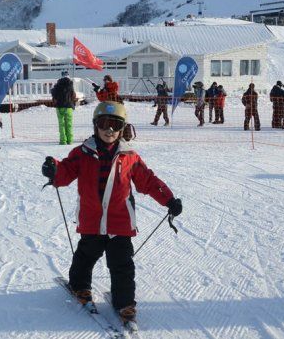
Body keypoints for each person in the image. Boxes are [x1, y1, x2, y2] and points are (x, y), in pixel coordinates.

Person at [40, 101, 182, 326]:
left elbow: (148, 181)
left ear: (122, 128)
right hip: (92, 221)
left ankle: (124, 303)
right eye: (104, 123)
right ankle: (79, 286)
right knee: (85, 256)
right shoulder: (82, 153)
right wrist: (54, 170)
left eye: (115, 125)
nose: (109, 130)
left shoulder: (130, 157)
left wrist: (169, 199)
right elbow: (65, 172)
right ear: (95, 125)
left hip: (120, 222)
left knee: (122, 264)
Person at [51, 71, 77, 145]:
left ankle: (63, 141)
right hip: (69, 107)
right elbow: (73, 96)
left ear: (61, 76)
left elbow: (54, 94)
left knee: (61, 124)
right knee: (69, 124)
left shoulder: (57, 85)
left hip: (60, 107)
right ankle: (70, 140)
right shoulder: (71, 85)